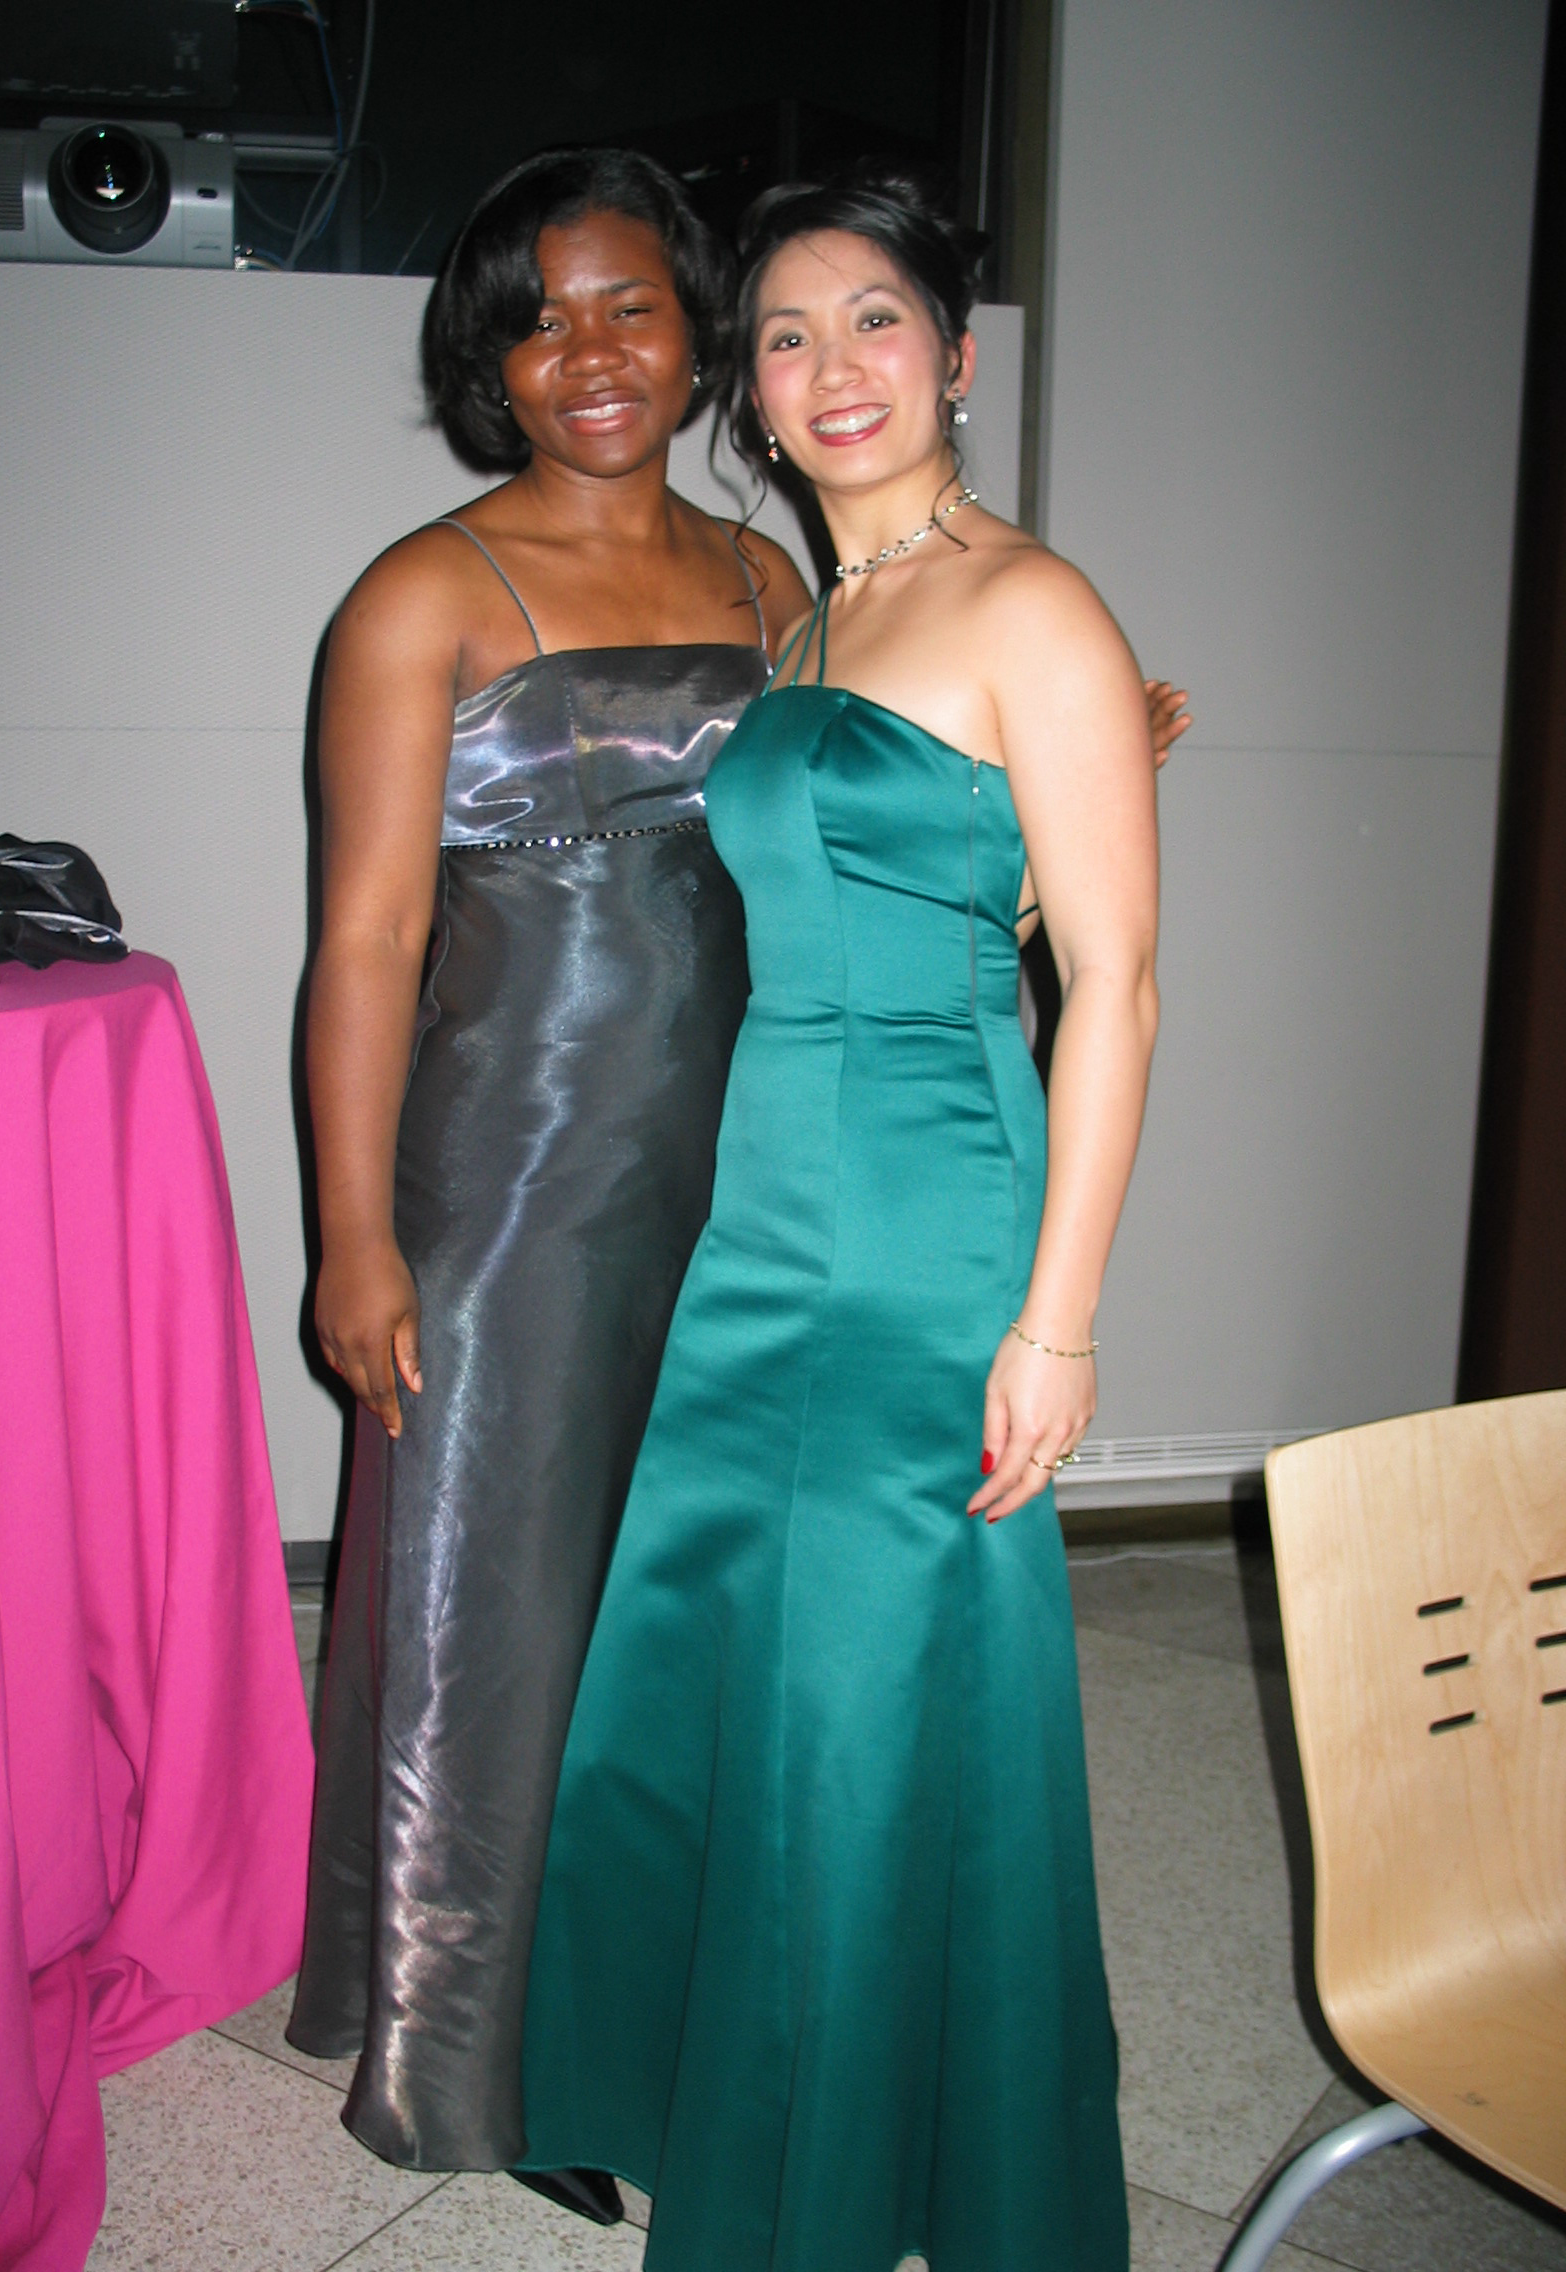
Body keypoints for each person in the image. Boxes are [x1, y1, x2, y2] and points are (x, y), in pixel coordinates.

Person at [520, 163, 1159, 2270]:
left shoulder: (1033, 604)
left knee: (864, 1705)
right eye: (787, 336)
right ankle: (777, 2118)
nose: (833, 365)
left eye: (874, 317)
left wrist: (1056, 1319)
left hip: (924, 1219)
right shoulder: (814, 617)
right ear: (757, 395)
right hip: (769, 1210)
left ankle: (866, 2171)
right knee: (738, 1669)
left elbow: (1117, 984)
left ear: (956, 356)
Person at [287, 148, 810, 2217]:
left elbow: (861, 852)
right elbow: (365, 940)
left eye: (629, 308)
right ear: (486, 357)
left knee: (700, 1605)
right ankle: (492, 2060)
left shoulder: (777, 587)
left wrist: (1076, 765)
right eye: (536, 318)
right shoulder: (421, 594)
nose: (587, 355)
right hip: (508, 1194)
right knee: (503, 1615)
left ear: (699, 330)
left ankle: (680, 2003)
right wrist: (352, 1232)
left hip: (745, 1167)